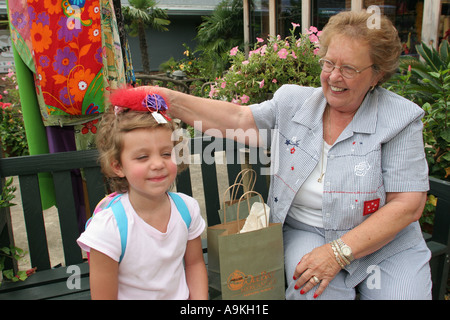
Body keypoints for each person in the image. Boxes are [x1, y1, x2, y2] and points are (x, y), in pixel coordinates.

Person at [149, 10, 432, 300]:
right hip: (310, 232)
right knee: (314, 295)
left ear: (377, 74)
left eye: (349, 69)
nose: (334, 76)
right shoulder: (293, 103)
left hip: (385, 243)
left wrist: (338, 253)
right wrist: (169, 100)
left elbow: (407, 205)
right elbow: (237, 119)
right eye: (329, 63)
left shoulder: (400, 119)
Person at [77, 87, 208, 300]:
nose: (158, 164)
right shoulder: (109, 228)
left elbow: (194, 264)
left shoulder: (187, 209)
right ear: (118, 166)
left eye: (166, 153)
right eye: (142, 157)